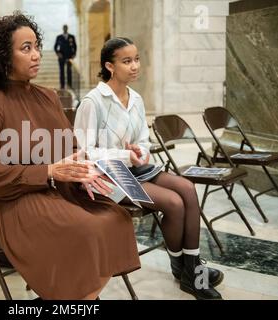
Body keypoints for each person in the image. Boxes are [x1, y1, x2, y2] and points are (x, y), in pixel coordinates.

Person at [0, 12, 140, 300]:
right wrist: (48, 171)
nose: (36, 55)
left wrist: (82, 169)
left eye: (36, 46)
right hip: (6, 197)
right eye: (26, 48)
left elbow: (68, 146)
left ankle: (79, 295)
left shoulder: (47, 96)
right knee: (84, 230)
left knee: (115, 218)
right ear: (3, 56)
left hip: (52, 186)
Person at [74, 37, 224, 300]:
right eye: (127, 61)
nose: (135, 66)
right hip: (109, 176)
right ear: (110, 66)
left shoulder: (136, 98)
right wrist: (126, 155)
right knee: (174, 204)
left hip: (136, 168)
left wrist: (141, 151)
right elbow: (86, 152)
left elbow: (143, 140)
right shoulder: (93, 101)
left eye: (137, 59)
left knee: (188, 189)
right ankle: (188, 272)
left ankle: (190, 269)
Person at [54, 24, 76, 89]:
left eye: (66, 28)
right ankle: (62, 85)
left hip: (69, 56)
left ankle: (69, 85)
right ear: (63, 29)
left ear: (67, 28)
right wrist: (58, 53)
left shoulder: (72, 37)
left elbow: (75, 46)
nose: (65, 29)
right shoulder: (59, 37)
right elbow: (55, 47)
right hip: (61, 57)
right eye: (64, 28)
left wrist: (74, 54)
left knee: (69, 71)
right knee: (62, 71)